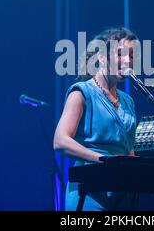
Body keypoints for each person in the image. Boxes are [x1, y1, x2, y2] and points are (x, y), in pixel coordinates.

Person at [53, 27, 138, 211]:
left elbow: (129, 150)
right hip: (88, 189)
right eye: (121, 54)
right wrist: (102, 159)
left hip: (121, 192)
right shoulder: (82, 92)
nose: (127, 61)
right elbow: (60, 141)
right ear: (101, 57)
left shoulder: (128, 102)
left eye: (131, 56)